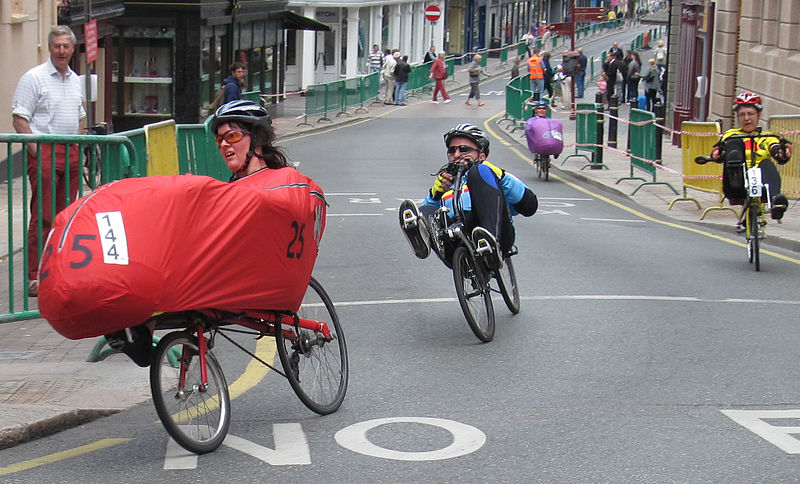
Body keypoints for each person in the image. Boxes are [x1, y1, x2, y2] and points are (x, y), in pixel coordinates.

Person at [105, 99, 327, 366]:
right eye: (219, 139)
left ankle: (140, 326)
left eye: (232, 136)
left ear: (256, 138)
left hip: (255, 276)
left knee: (178, 276)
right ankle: (138, 328)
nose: (224, 145)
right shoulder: (228, 190)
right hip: (226, 273)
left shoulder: (283, 179)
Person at [398, 124, 538, 270]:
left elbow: (529, 206)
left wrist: (500, 176)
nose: (457, 154)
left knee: (478, 171)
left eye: (463, 149)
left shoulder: (490, 174)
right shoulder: (446, 181)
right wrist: (436, 194)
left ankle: (490, 242)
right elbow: (431, 210)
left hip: (499, 236)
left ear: (481, 155)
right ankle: (420, 240)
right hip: (455, 244)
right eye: (452, 150)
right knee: (424, 211)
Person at [12, 25, 86, 297]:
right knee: (43, 214)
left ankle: (59, 271)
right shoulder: (34, 78)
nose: (62, 51)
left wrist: (79, 143)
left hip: (71, 151)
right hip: (45, 149)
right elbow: (19, 118)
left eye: (66, 46)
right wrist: (35, 150)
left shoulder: (75, 79)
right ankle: (36, 276)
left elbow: (80, 115)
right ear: (49, 48)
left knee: (66, 216)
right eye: (57, 46)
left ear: (72, 49)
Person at [709, 92, 791, 220]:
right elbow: (719, 149)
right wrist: (718, 153)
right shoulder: (731, 134)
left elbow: (774, 148)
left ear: (758, 115)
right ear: (738, 117)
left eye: (750, 114)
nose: (747, 118)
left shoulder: (767, 136)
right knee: (734, 142)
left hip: (762, 185)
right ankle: (735, 162)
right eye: (742, 115)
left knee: (766, 163)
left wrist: (781, 153)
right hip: (737, 184)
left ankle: (776, 203)